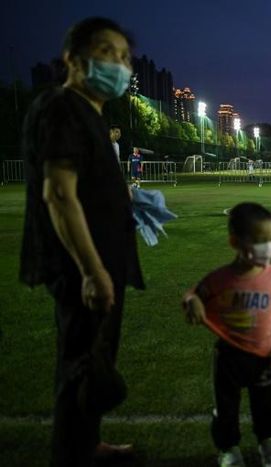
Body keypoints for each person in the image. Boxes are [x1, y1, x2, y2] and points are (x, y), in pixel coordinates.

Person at [19, 17, 144, 466]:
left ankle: (86, 444)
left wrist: (127, 196)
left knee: (95, 359)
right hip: (82, 265)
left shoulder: (91, 113)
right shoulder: (62, 106)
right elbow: (58, 193)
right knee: (79, 364)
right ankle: (71, 455)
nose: (121, 64)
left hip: (104, 258)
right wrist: (92, 271)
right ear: (73, 59)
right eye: (109, 53)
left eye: (126, 57)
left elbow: (87, 185)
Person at [182, 202, 271, 467]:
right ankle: (228, 448)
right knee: (226, 408)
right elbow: (194, 295)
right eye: (259, 241)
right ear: (235, 242)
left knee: (267, 405)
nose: (267, 247)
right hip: (229, 357)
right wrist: (192, 301)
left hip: (263, 356)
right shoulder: (221, 279)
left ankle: (267, 441)